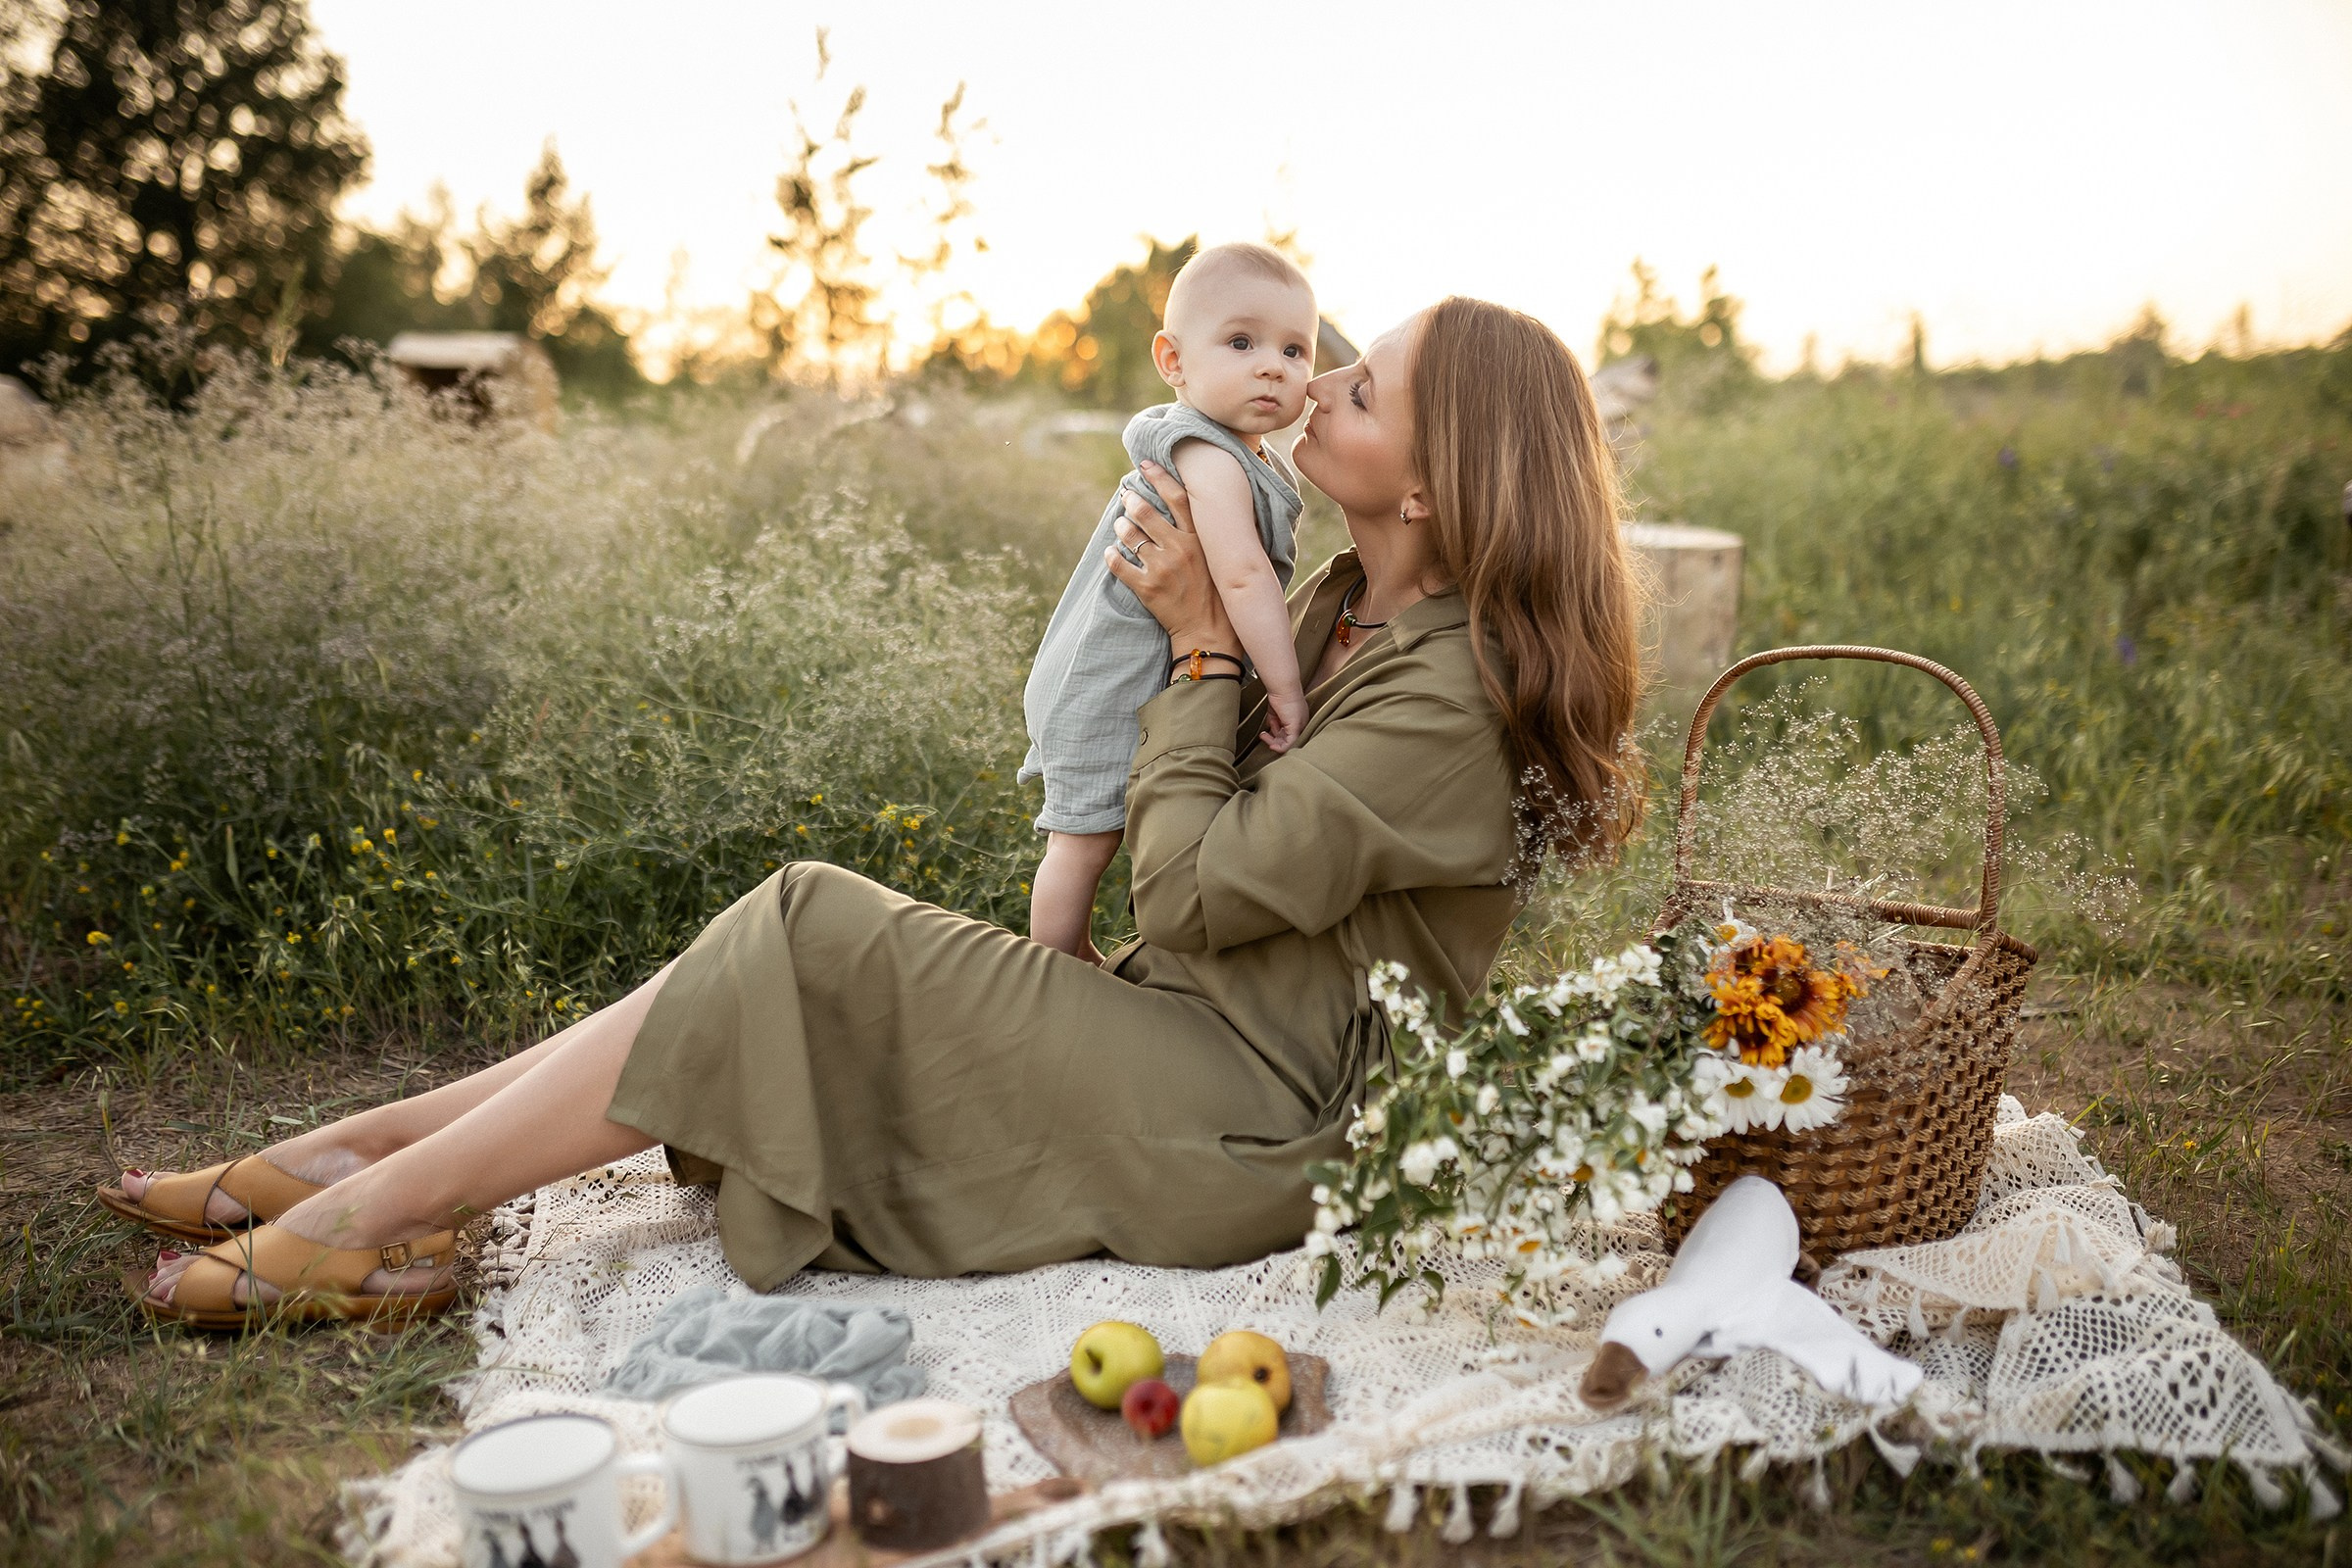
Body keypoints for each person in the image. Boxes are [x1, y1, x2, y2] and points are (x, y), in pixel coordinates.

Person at [104, 297, 1644, 1327]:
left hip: (1254, 1128)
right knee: (785, 939)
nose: (1320, 383)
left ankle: (368, 1210)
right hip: (1191, 1041)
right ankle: (366, 1165)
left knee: (807, 924)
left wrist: (1187, 644)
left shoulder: (1449, 693)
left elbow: (1184, 894)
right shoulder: (1335, 607)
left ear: (1433, 486)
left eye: (1364, 388)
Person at [1020, 242, 1317, 962]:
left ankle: (1089, 953)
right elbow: (1242, 577)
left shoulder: (1242, 452)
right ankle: (1052, 969)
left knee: (1113, 834)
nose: (1273, 365)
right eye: (1241, 342)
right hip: (1108, 678)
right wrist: (1285, 688)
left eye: (1295, 349)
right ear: (1173, 361)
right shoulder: (1208, 455)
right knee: (1085, 838)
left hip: (1135, 672)